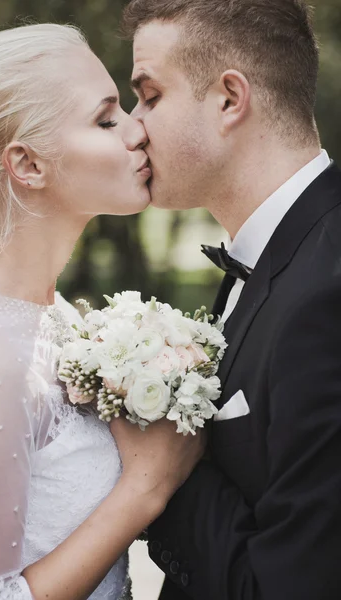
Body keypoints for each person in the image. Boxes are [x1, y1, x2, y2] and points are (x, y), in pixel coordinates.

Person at [0, 23, 205, 600]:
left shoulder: (52, 315)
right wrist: (145, 489)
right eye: (107, 119)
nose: (139, 130)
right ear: (28, 165)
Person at [122, 0, 341, 598]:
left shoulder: (328, 294)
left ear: (229, 99)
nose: (133, 126)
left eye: (150, 95)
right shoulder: (276, 252)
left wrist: (161, 472)